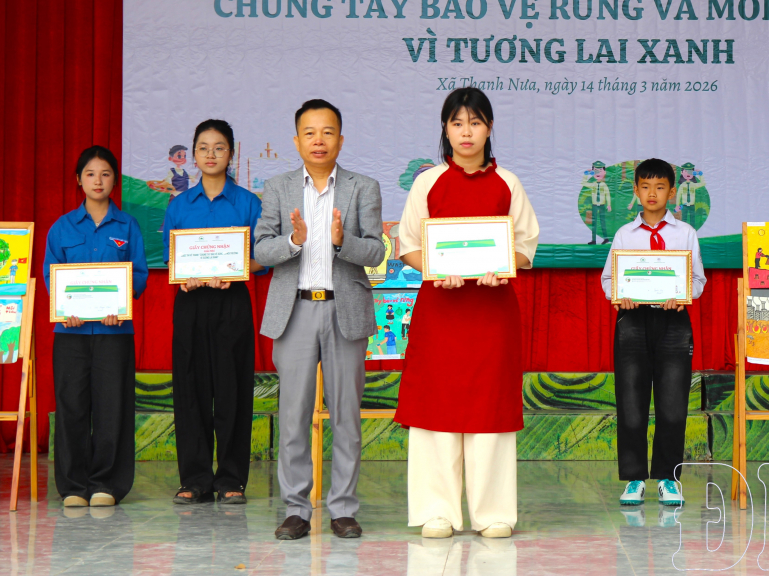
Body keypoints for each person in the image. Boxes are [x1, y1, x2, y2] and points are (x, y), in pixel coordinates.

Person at [395, 87, 539, 539]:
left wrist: (503, 267)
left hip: (492, 313)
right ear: (445, 128)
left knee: (489, 408)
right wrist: (437, 270)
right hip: (441, 313)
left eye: (475, 123)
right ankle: (436, 512)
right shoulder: (428, 183)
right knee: (435, 407)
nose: (466, 132)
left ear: (489, 128)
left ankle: (493, 513)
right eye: (457, 123)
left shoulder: (508, 183)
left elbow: (525, 247)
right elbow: (408, 246)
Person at [255, 99, 384, 541]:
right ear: (296, 141)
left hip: (344, 310)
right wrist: (294, 240)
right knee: (293, 416)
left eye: (327, 132)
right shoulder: (277, 188)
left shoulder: (363, 187)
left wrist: (343, 241)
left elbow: (377, 251)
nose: (318, 140)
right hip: (294, 312)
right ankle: (296, 509)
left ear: (340, 140)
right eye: (309, 133)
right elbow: (261, 249)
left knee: (346, 415)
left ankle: (343, 509)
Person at [162, 119, 265, 506]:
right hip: (190, 303)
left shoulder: (248, 203)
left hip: (232, 301)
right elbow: (172, 259)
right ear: (193, 155)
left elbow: (262, 258)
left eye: (219, 147)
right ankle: (195, 479)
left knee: (232, 390)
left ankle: (231, 478)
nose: (210, 154)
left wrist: (236, 270)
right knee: (190, 390)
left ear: (231, 154)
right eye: (203, 148)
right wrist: (183, 277)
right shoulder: (178, 205)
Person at [43, 146, 148, 508]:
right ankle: (73, 486)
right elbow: (51, 276)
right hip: (69, 334)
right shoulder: (61, 227)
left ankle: (107, 483)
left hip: (114, 333)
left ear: (115, 180)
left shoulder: (128, 226)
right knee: (71, 407)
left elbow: (139, 274)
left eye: (105, 174)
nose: (98, 181)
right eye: (90, 174)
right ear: (79, 180)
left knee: (112, 407)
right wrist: (64, 310)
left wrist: (121, 305)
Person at [601, 159, 706, 507]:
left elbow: (698, 280)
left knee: (672, 404)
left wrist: (683, 295)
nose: (652, 193)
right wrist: (620, 295)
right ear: (635, 191)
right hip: (632, 321)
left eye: (660, 187)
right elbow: (608, 278)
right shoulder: (624, 235)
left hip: (673, 321)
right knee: (631, 402)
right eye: (645, 187)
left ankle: (668, 478)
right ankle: (634, 479)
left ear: (671, 193)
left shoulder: (685, 233)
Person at [583, 160, 611, 244]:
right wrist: (586, 174)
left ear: (604, 172)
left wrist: (609, 204)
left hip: (602, 205)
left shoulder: (604, 185)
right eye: (595, 170)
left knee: (602, 222)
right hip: (594, 205)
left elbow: (607, 194)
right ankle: (594, 240)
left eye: (600, 170)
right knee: (594, 223)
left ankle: (606, 238)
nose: (598, 173)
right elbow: (583, 183)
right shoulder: (593, 184)